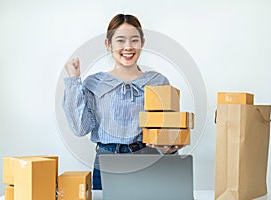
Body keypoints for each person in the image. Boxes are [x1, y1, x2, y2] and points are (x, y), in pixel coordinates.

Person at [62, 13, 183, 190]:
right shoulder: (94, 83)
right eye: (120, 40)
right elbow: (80, 128)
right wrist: (73, 80)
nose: (128, 47)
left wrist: (170, 146)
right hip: (106, 162)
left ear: (142, 42)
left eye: (134, 40)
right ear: (108, 44)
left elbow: (168, 132)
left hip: (148, 161)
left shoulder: (158, 82)